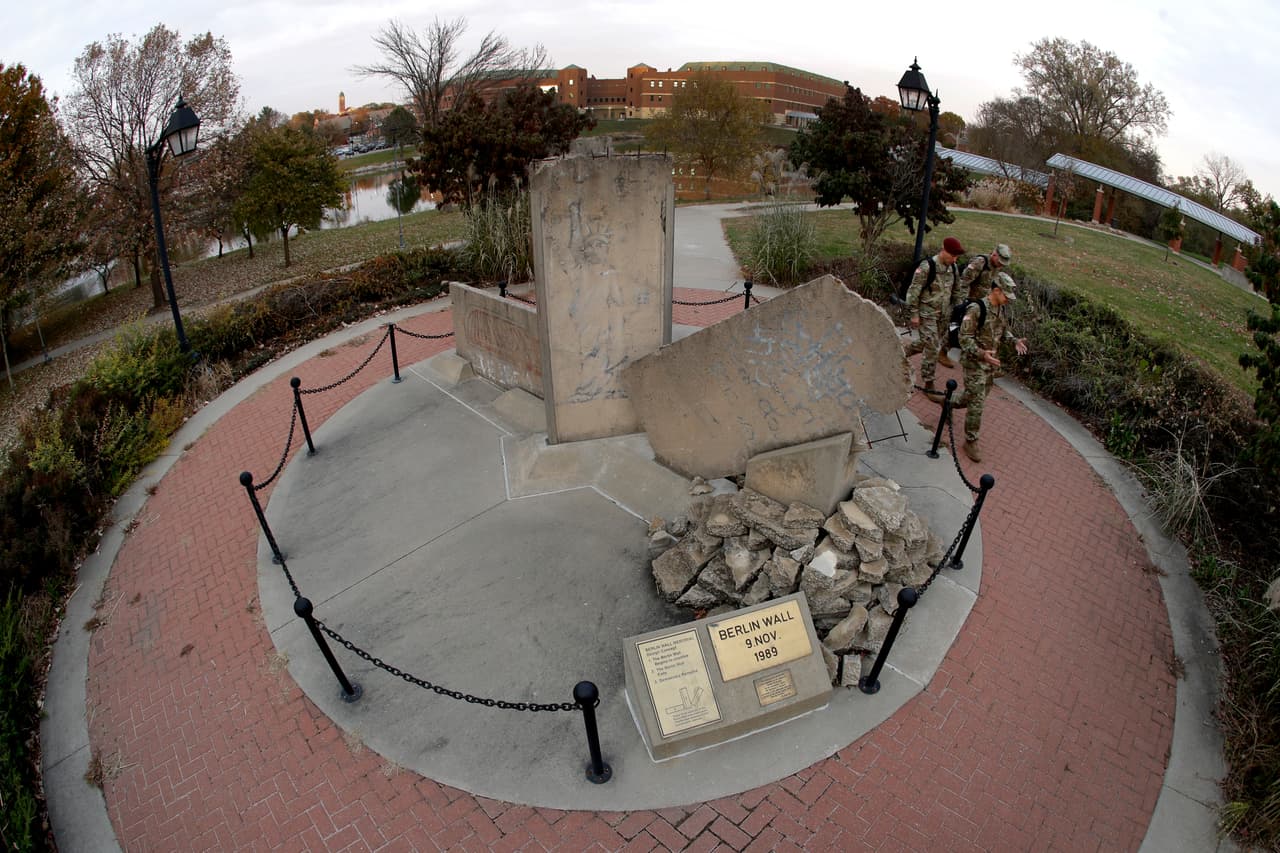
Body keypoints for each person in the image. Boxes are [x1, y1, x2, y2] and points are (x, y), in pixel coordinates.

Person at [946, 271, 1028, 462]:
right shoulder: (977, 309)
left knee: (973, 398)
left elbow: (1002, 330)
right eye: (1006, 295)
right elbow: (964, 338)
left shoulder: (1000, 309)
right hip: (974, 363)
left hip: (989, 366)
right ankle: (970, 440)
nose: (1008, 300)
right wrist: (982, 354)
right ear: (997, 290)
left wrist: (1014, 340)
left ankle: (948, 402)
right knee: (977, 403)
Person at [903, 236, 963, 395]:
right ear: (944, 251)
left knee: (927, 342)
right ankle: (928, 383)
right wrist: (914, 314)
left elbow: (957, 292)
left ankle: (902, 352)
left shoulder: (953, 268)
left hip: (943, 316)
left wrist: (959, 311)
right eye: (952, 255)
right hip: (926, 313)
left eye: (956, 257)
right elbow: (913, 292)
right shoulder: (927, 266)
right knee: (932, 346)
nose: (955, 259)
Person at [937, 243, 1012, 367]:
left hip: (981, 304)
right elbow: (964, 282)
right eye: (1000, 262)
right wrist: (961, 303)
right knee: (957, 327)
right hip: (969, 302)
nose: (1001, 265)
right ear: (994, 254)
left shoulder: (995, 267)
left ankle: (970, 357)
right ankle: (943, 351)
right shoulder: (980, 263)